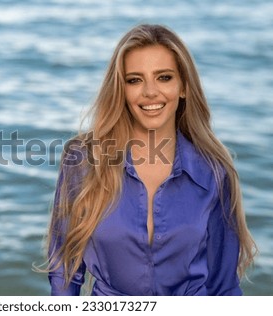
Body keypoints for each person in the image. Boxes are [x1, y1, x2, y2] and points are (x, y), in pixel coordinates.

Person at [45, 24, 257, 295]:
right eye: (134, 80)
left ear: (184, 87)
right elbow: (65, 271)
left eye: (164, 77)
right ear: (120, 90)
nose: (150, 92)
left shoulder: (214, 172)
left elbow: (223, 285)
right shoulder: (83, 161)